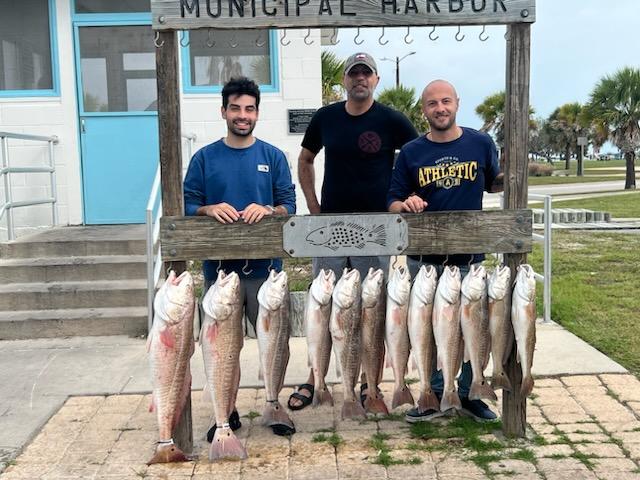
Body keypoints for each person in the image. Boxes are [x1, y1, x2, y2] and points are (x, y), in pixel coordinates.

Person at [289, 52, 419, 410]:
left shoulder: (392, 119)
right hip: (329, 227)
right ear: (345, 80)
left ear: (376, 80)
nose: (360, 78)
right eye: (353, 73)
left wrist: (407, 197)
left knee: (370, 308)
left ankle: (367, 381)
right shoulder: (326, 117)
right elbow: (305, 159)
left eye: (366, 73)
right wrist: (314, 209)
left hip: (376, 229)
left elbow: (417, 159)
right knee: (322, 306)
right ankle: (315, 378)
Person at [183, 76, 296, 436]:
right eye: (235, 108)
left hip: (266, 273)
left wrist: (269, 209)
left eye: (249, 109)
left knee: (274, 345)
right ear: (224, 111)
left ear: (257, 113)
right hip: (220, 275)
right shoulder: (204, 158)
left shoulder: (273, 157)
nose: (242, 115)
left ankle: (274, 404)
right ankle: (226, 410)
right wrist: (207, 209)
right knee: (222, 350)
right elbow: (188, 205)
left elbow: (288, 206)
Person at [387, 79, 504, 422]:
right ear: (424, 110)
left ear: (457, 103)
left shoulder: (481, 143)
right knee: (429, 331)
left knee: (472, 330)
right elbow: (392, 200)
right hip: (425, 262)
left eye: (445, 101)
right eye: (432, 104)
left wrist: (510, 172)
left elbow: (494, 182)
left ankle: (470, 393)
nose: (440, 108)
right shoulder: (411, 152)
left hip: (469, 259)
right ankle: (433, 392)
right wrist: (404, 203)